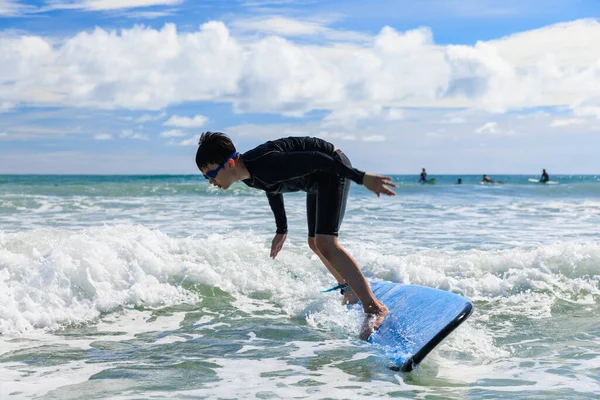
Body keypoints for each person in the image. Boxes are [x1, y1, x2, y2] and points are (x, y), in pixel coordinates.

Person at [195, 132, 396, 340]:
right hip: (316, 181)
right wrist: (281, 228)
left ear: (228, 164)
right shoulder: (248, 175)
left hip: (331, 166)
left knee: (326, 242)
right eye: (206, 177)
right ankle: (349, 289)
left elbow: (317, 159)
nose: (211, 182)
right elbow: (271, 187)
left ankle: (374, 308)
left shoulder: (264, 163)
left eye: (211, 174)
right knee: (315, 243)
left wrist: (361, 178)